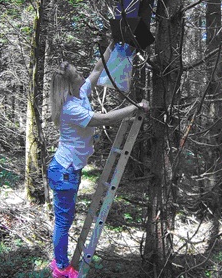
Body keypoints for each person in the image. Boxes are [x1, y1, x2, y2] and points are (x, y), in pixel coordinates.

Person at [47, 43, 149, 278]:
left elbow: (96, 70)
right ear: (69, 84)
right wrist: (134, 108)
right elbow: (103, 119)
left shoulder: (79, 91)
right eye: (77, 76)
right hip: (65, 170)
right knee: (64, 221)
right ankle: (61, 268)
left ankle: (61, 264)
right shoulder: (69, 108)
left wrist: (111, 46)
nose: (82, 76)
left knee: (66, 218)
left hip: (69, 169)